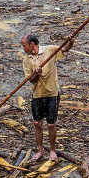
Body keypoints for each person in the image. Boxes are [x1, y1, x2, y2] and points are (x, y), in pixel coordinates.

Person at [20, 33, 75, 162]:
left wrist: (70, 41)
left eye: (24, 45)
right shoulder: (27, 59)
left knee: (51, 124)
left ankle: (52, 150)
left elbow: (65, 49)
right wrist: (36, 74)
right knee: (37, 123)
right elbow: (30, 80)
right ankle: (40, 150)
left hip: (52, 93)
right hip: (37, 94)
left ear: (31, 44)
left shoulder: (49, 50)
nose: (23, 48)